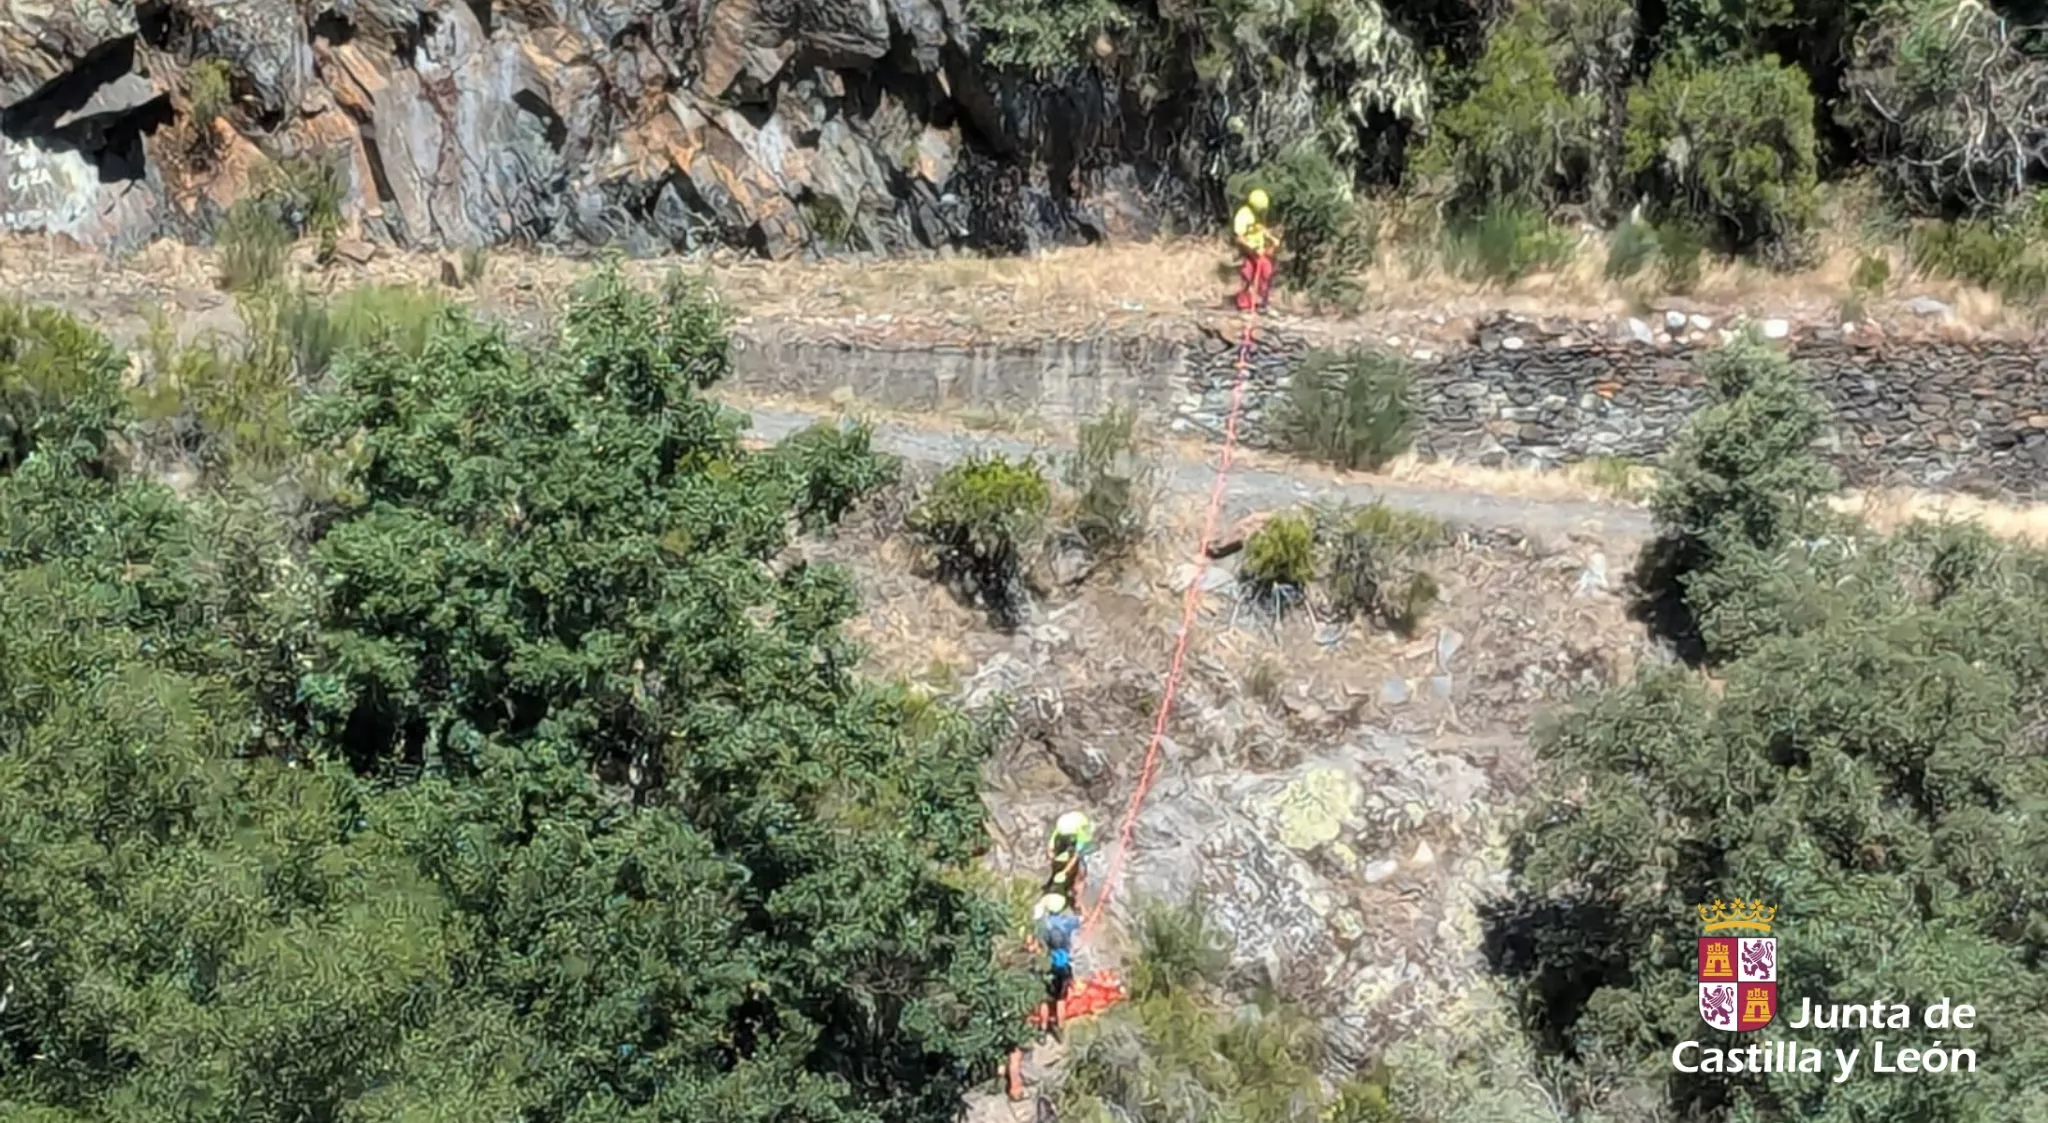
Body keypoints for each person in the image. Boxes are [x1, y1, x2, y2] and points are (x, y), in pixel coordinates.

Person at [1031, 892, 1082, 1039]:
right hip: (1063, 966)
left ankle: (1042, 1029)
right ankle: (1060, 1029)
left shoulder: (1043, 925)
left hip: (1046, 966)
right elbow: (1082, 919)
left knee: (1044, 1000)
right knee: (1060, 1000)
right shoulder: (1067, 922)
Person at [1232, 188, 1277, 312]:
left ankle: (1264, 304)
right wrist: (1251, 248)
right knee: (1247, 275)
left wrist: (1271, 238)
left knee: (1267, 273)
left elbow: (1261, 229)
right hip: (1248, 251)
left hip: (1260, 252)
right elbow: (1239, 238)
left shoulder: (1260, 215)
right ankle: (1244, 304)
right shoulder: (1243, 215)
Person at [1045, 810, 1094, 900]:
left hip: (1084, 846)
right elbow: (1051, 845)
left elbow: (1076, 856)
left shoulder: (1082, 836)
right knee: (1060, 855)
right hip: (1072, 834)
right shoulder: (1062, 828)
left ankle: (1078, 895)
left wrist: (1065, 871)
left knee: (1083, 868)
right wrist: (1051, 856)